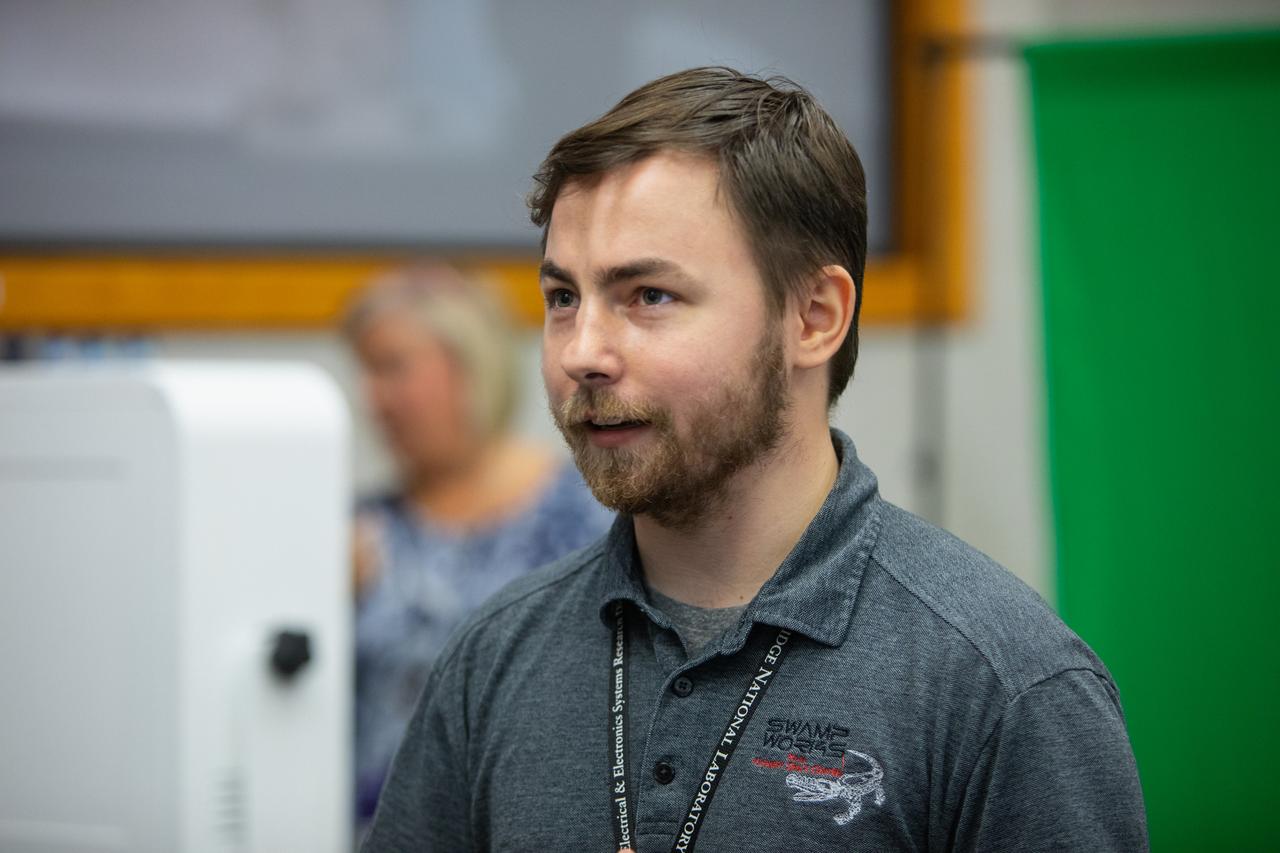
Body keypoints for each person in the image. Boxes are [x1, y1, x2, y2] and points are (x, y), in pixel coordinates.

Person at [363, 68, 1148, 851]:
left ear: (814, 317)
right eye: (563, 298)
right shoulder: (494, 656)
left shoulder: (1002, 683)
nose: (583, 353)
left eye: (648, 296)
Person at [344, 265, 613, 832]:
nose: (373, 399)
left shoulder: (588, 514)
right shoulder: (361, 534)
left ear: (469, 366)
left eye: (392, 368)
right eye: (366, 372)